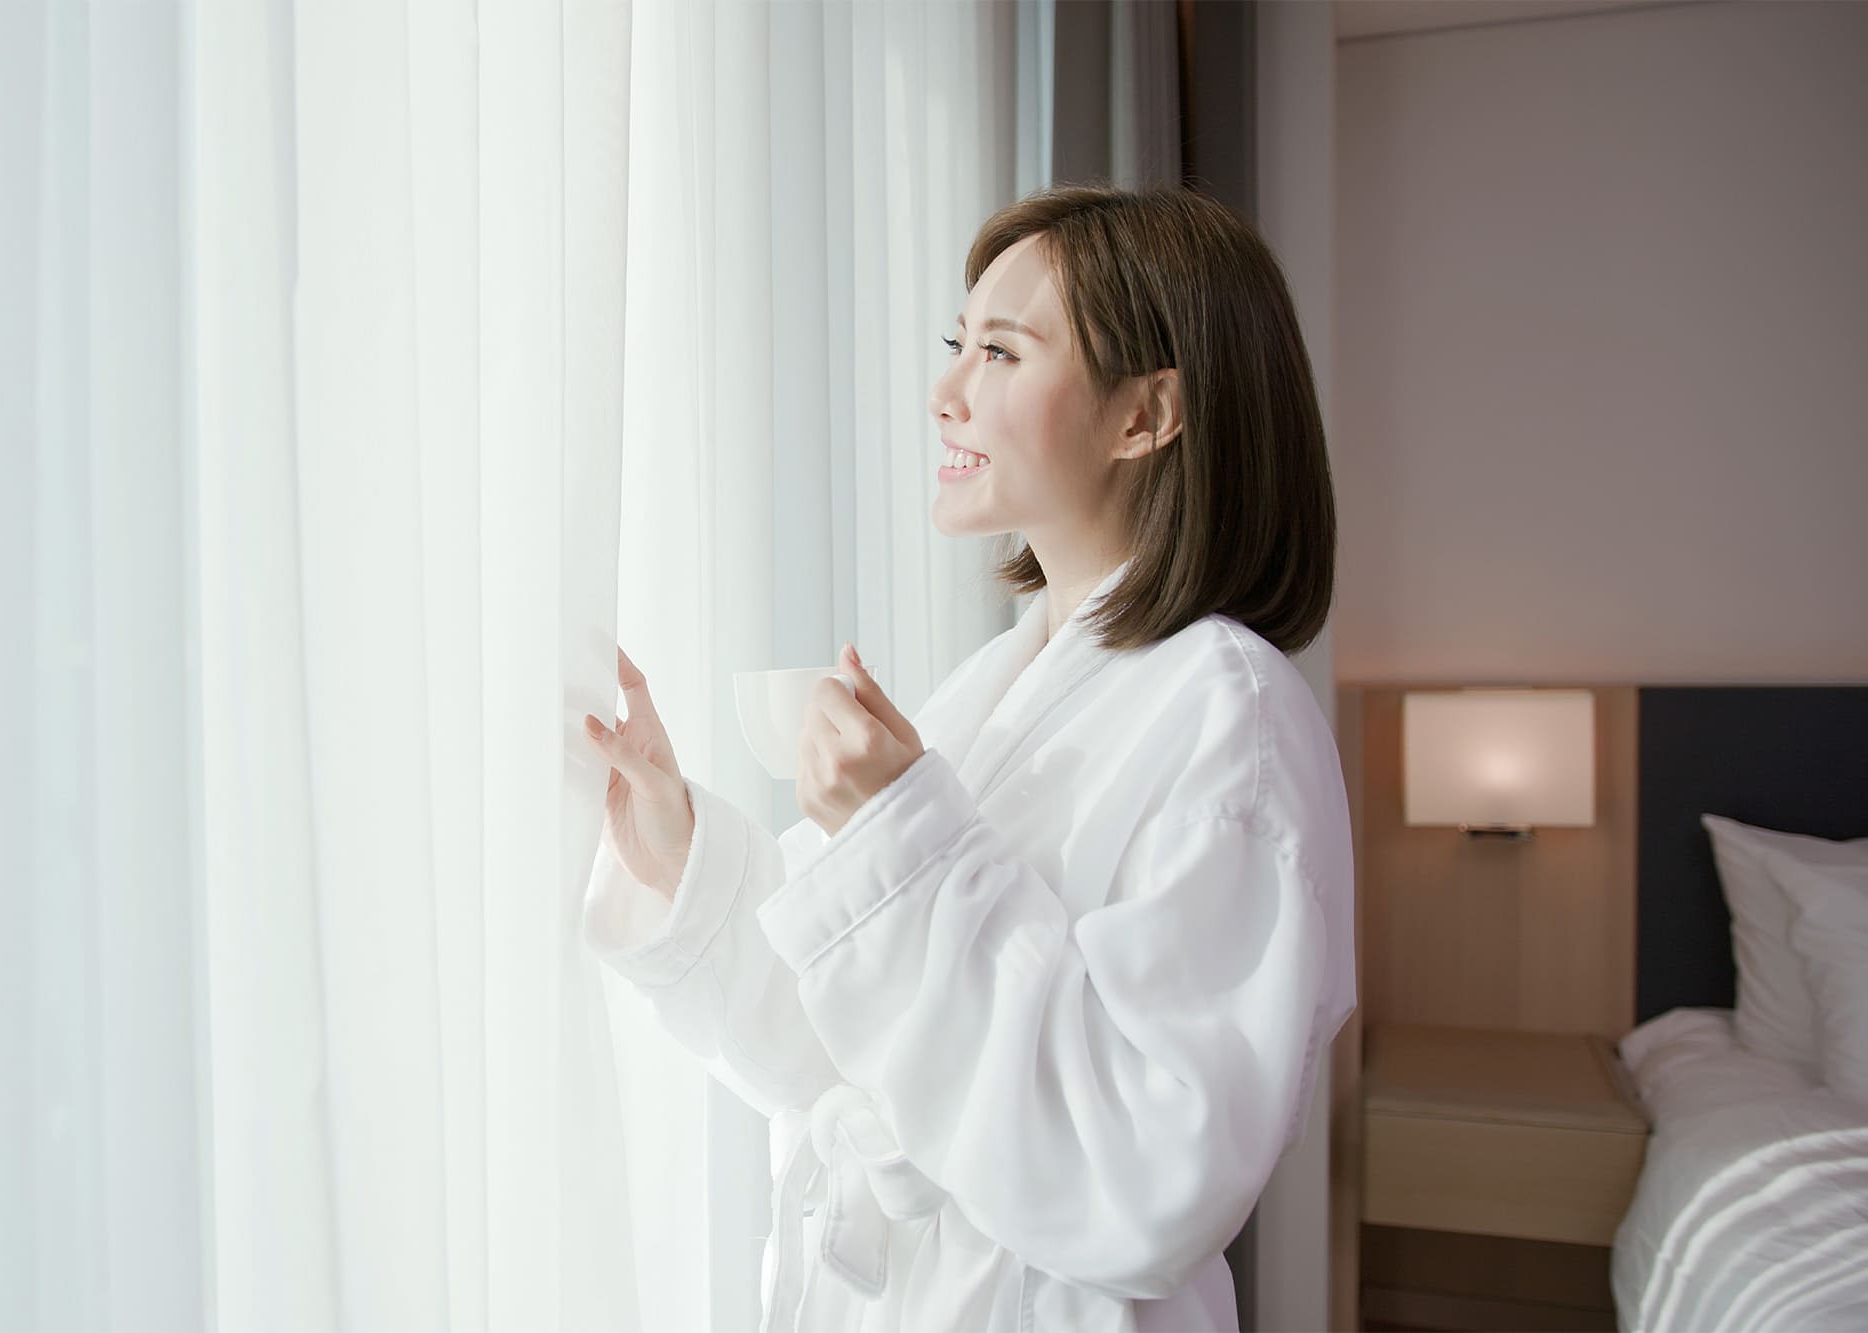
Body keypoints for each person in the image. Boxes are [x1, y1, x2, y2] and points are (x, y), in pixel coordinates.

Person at [578, 182, 1355, 1333]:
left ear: (1144, 415)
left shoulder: (1232, 717)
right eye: (957, 346)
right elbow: (834, 1047)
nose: (944, 394)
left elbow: (1152, 1176)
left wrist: (900, 840)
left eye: (998, 351)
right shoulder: (996, 686)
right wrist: (675, 849)